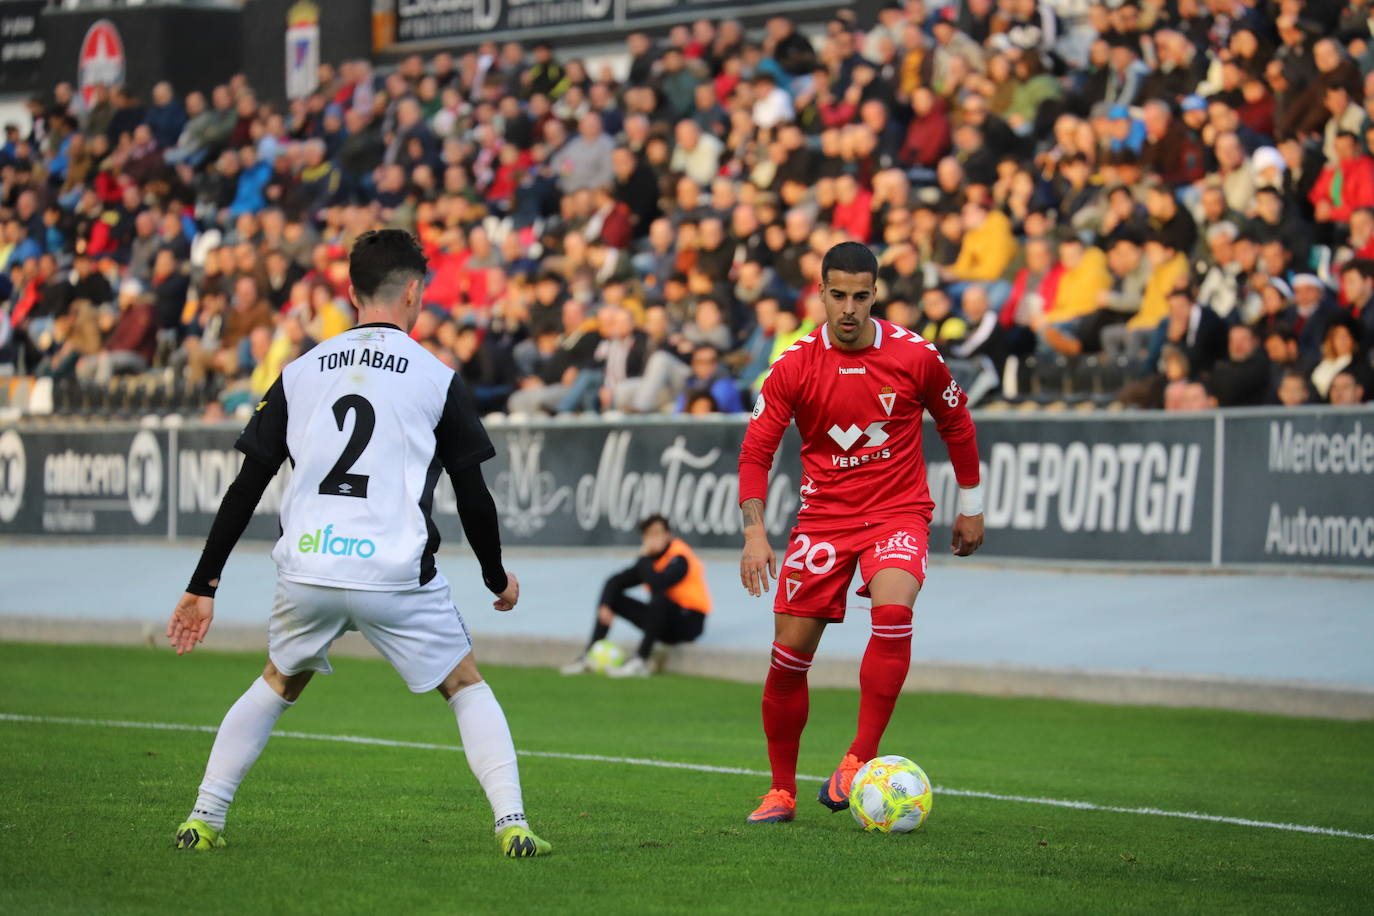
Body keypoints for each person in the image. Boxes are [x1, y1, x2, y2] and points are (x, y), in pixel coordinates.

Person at [164, 230, 551, 858]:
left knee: (276, 682)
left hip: (309, 567)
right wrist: (494, 576)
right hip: (395, 574)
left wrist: (202, 585)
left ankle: (203, 818)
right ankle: (512, 823)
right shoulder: (435, 376)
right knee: (465, 684)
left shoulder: (300, 371)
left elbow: (246, 486)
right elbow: (474, 495)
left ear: (351, 293)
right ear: (415, 293)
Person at [735, 242, 984, 824]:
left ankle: (858, 759)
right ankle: (781, 792)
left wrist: (970, 507)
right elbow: (755, 452)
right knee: (789, 659)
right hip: (823, 519)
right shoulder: (794, 365)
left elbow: (957, 423)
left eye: (861, 296)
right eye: (838, 295)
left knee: (895, 611)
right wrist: (754, 532)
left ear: (876, 295)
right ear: (820, 293)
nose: (849, 308)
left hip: (898, 511)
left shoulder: (916, 356)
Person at [561, 514, 711, 678]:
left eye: (657, 533)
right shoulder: (650, 560)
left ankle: (641, 660)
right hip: (662, 622)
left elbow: (658, 583)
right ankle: (589, 655)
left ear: (668, 535)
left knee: (659, 596)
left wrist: (644, 557)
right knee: (613, 598)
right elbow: (615, 581)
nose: (653, 538)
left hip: (688, 622)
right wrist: (605, 605)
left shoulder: (680, 557)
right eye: (648, 534)